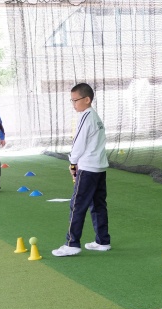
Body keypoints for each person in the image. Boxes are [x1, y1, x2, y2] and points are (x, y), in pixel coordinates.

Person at [52, 83, 111, 257]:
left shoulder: (86, 116)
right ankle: (102, 241)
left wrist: (73, 163)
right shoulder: (95, 116)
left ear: (87, 99)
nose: (73, 104)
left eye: (75, 100)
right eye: (72, 100)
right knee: (98, 204)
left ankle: (72, 243)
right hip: (98, 167)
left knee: (77, 205)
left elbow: (78, 143)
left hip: (88, 168)